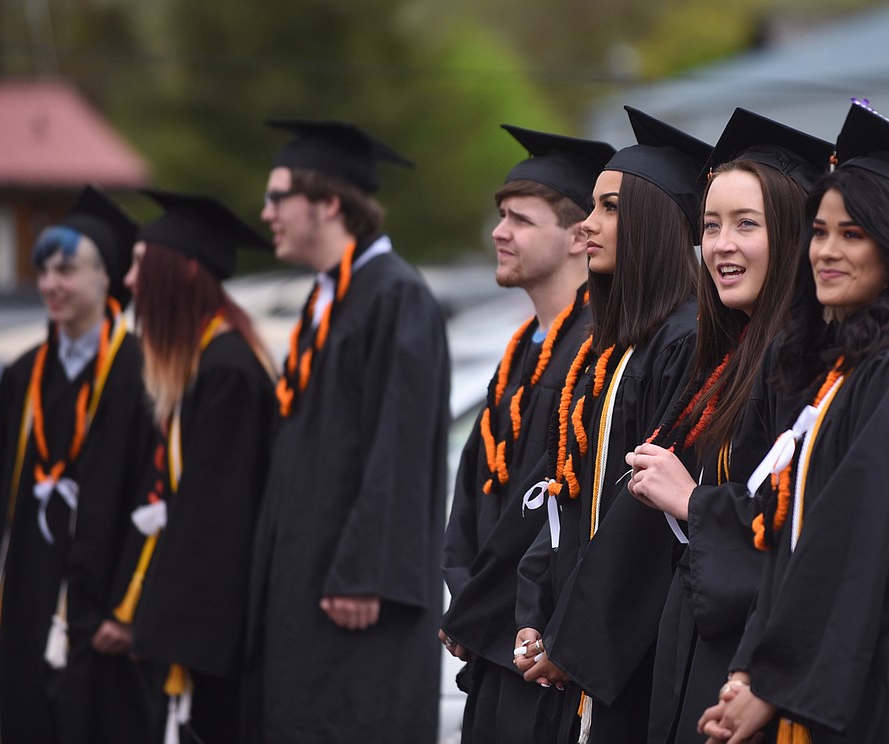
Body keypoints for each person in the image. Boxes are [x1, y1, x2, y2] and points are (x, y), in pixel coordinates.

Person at [700, 101, 889, 743]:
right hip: (840, 668)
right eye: (820, 231)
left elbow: (862, 541)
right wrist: (751, 668)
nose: (826, 252)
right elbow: (793, 533)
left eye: (852, 234)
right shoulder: (847, 373)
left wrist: (773, 679)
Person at [624, 107, 831, 744]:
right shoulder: (736, 353)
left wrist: (692, 500)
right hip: (707, 637)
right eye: (710, 226)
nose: (721, 245)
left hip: (758, 659)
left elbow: (803, 517)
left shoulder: (806, 359)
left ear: (797, 237)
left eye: (748, 224)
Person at [244, 119, 451, 743]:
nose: (266, 212)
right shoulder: (326, 299)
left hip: (356, 598)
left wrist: (366, 571)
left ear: (329, 203)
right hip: (310, 582)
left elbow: (401, 445)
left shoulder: (396, 298)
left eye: (279, 197)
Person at [514, 106, 707, 743]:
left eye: (609, 208)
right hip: (576, 636)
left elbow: (641, 517)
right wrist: (537, 615)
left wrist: (576, 638)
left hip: (633, 649)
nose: (587, 226)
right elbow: (562, 489)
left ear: (654, 223)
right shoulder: (614, 347)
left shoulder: (685, 342)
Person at [440, 125, 613, 744]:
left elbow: (543, 507)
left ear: (576, 236)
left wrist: (482, 607)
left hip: (533, 645)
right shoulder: (520, 352)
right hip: (486, 640)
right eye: (500, 216)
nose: (499, 232)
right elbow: (472, 486)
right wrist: (463, 592)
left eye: (520, 219)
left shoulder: (594, 352)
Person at [0, 186, 157, 744]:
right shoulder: (22, 376)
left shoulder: (141, 376)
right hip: (27, 596)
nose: (50, 285)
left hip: (102, 606)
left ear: (107, 275)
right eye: (42, 271)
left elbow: (152, 495)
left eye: (66, 269)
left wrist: (128, 606)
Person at [113, 189, 277, 744]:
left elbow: (217, 522)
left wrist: (167, 631)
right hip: (207, 635)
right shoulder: (209, 361)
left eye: (140, 265)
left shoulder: (227, 370)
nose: (131, 282)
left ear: (182, 270)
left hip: (219, 643)